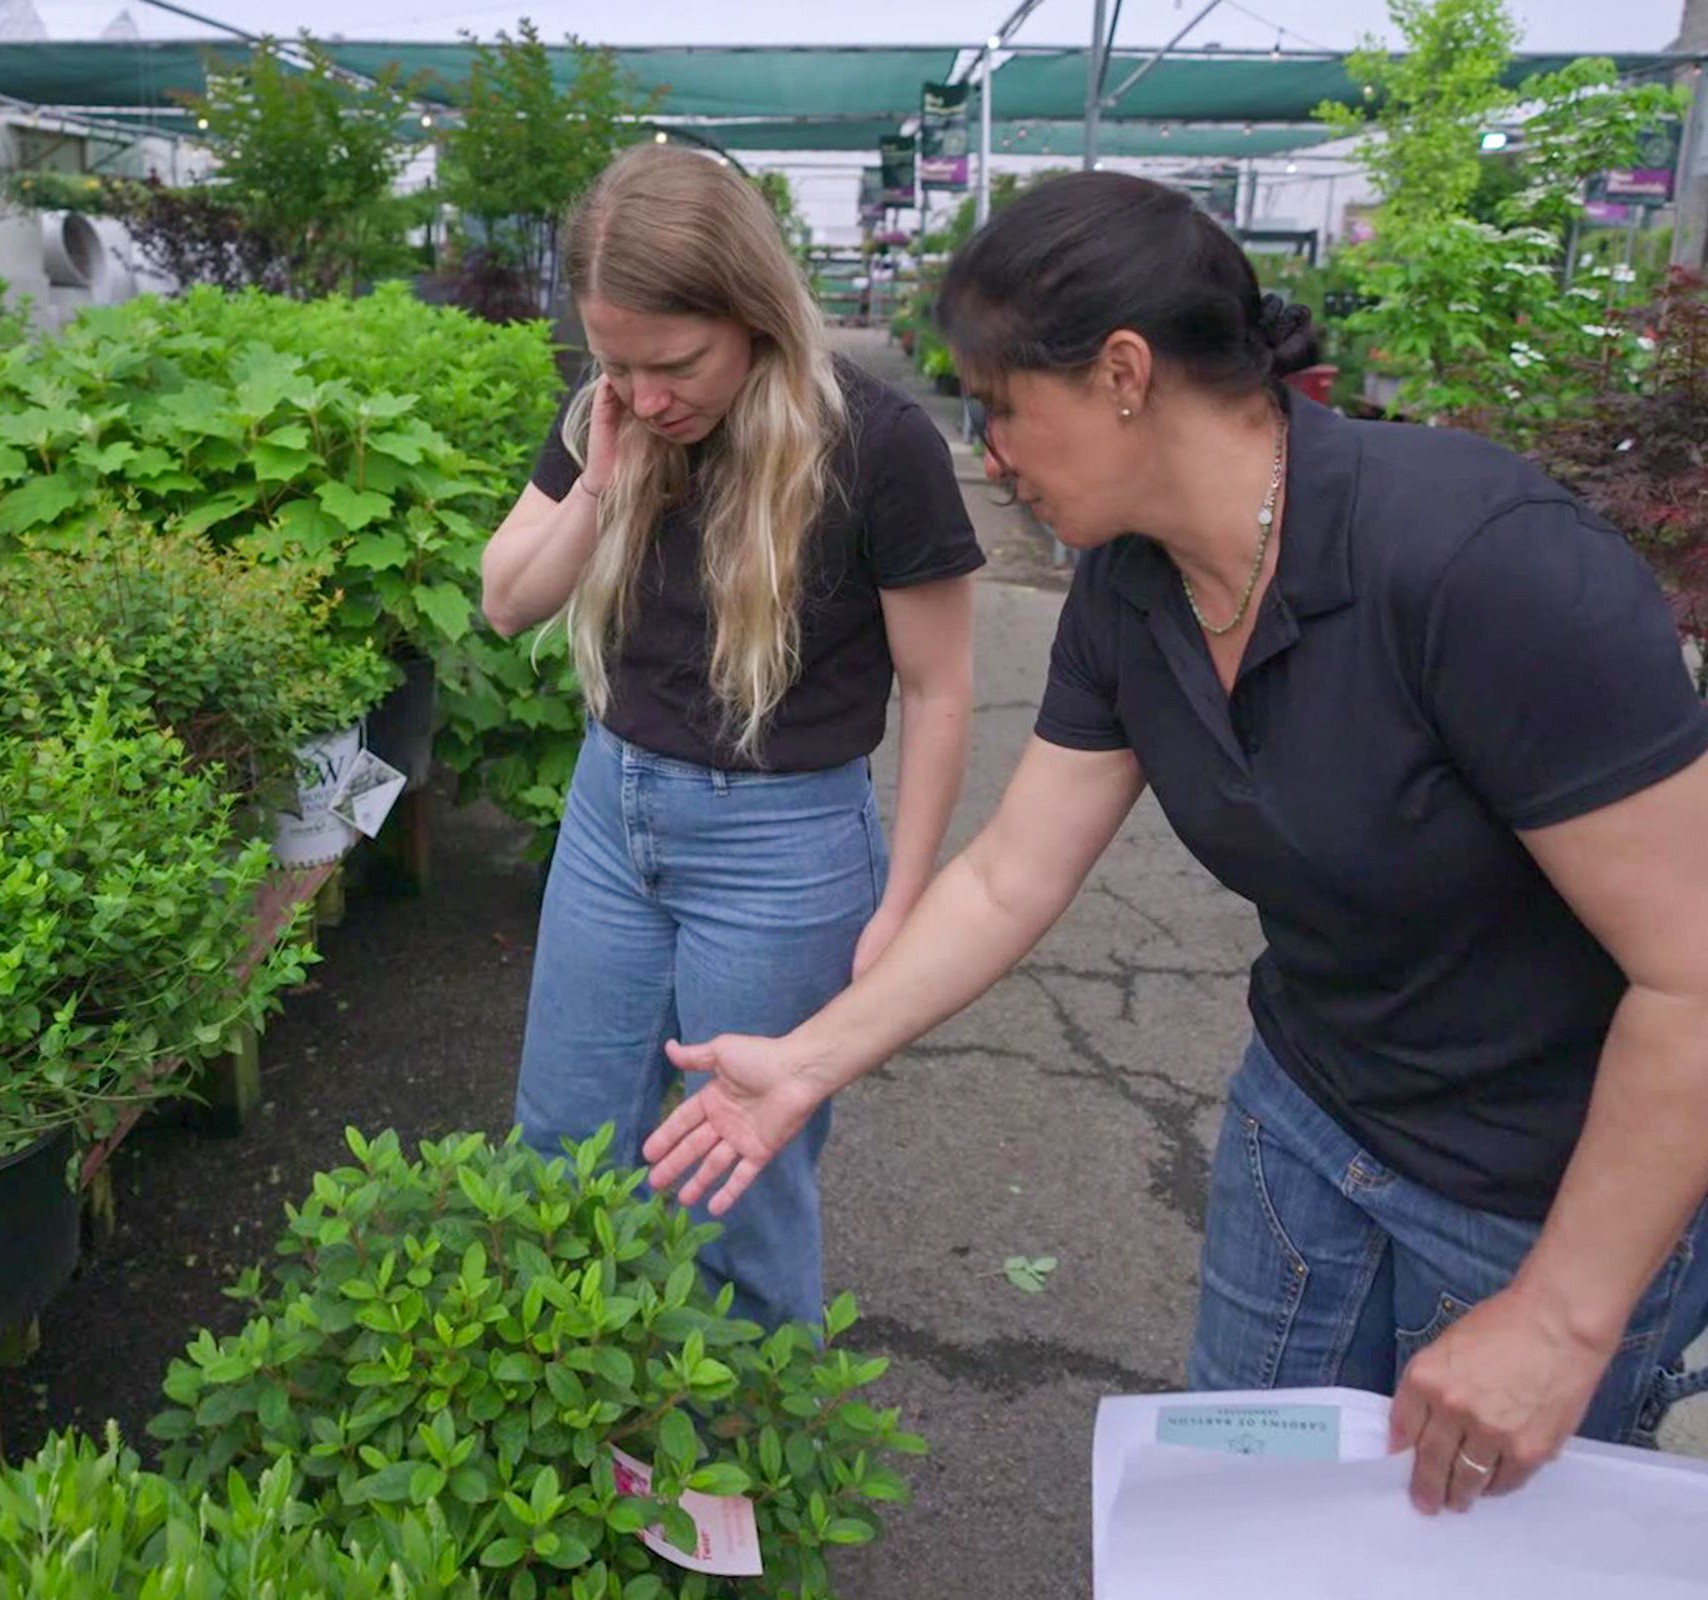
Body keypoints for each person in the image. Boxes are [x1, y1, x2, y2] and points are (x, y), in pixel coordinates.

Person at [642, 169, 1708, 1513]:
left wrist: (1561, 1317)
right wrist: (805, 1062)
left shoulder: (1481, 564)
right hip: (1309, 1121)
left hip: (1545, 1187)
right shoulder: (1128, 587)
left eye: (1007, 407)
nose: (995, 450)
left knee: (1470, 1554)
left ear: (1125, 373)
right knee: (1242, 1517)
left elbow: (1696, 976)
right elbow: (1013, 872)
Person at [480, 144, 983, 1334]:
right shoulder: (611, 419)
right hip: (615, 813)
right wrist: (603, 478)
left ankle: (744, 1483)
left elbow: (944, 684)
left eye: (676, 363)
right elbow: (506, 600)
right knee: (562, 1141)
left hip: (785, 844)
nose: (648, 394)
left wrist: (904, 901)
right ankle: (575, 1443)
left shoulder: (876, 445)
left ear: (751, 311)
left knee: (732, 1183)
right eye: (617, 362)